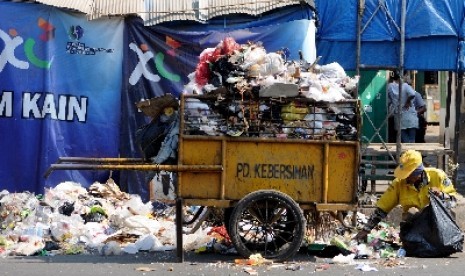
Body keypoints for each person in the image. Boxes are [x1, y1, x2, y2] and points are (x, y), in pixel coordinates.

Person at [354, 149, 458, 241]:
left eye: (408, 175)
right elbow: (382, 209)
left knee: (449, 211)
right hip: (416, 227)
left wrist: (441, 195)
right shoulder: (399, 183)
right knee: (412, 211)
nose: (405, 178)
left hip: (438, 225)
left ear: (417, 173)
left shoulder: (438, 176)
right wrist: (365, 230)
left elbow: (453, 202)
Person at [387, 72, 418, 143]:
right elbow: (412, 94)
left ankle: (408, 152)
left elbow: (388, 101)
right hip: (410, 115)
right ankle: (411, 152)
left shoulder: (389, 86)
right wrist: (407, 101)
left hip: (399, 115)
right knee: (412, 139)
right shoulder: (406, 86)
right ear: (402, 77)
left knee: (404, 138)